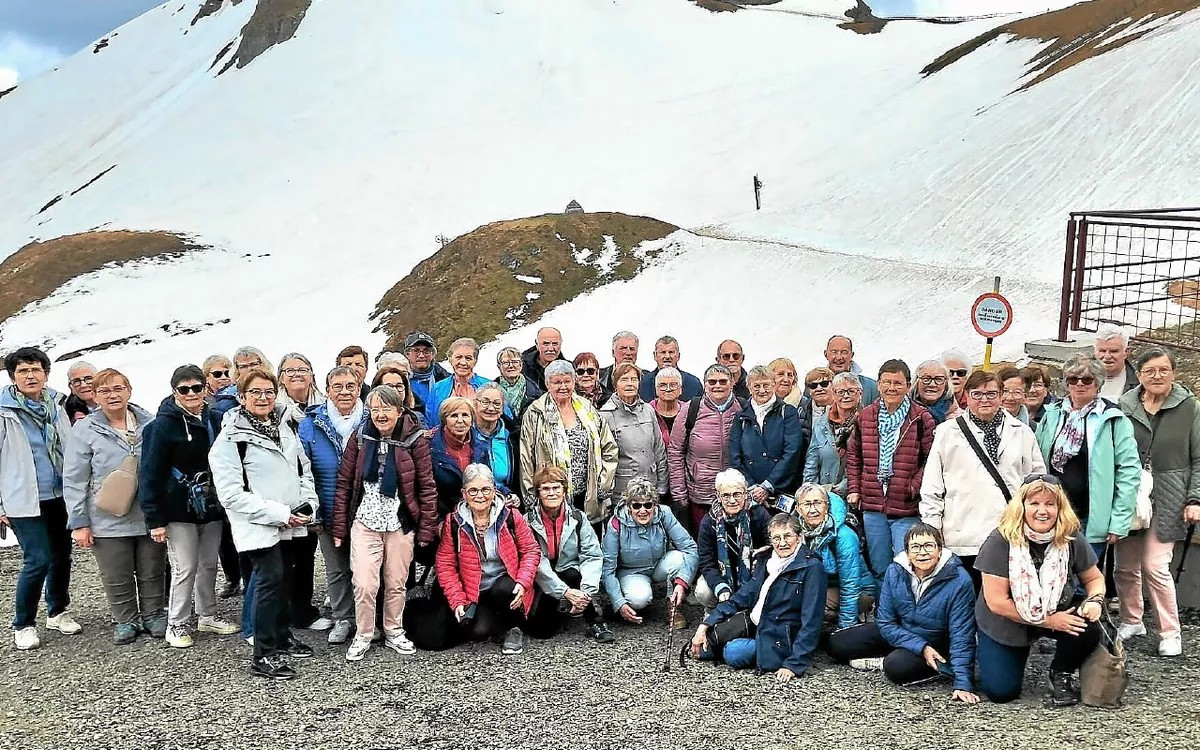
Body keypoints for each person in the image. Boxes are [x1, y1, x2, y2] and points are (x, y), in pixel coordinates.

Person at [208, 368, 319, 680]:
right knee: (268, 582)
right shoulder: (230, 440)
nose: (263, 397)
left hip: (291, 519)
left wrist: (308, 503)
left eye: (268, 391)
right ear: (241, 397)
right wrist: (278, 513)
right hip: (258, 524)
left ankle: (282, 636)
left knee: (284, 580)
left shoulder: (285, 426)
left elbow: (302, 469)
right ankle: (264, 654)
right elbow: (231, 494)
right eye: (255, 392)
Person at [973, 478, 1105, 706]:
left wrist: (1095, 600)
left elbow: (1094, 578)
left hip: (1056, 606)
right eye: (1034, 503)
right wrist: (1049, 621)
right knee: (1001, 692)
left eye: (1050, 504)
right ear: (1021, 506)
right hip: (1008, 619)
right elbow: (997, 602)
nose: (1042, 511)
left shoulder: (1070, 535)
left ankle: (1061, 671)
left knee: (1088, 625)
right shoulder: (1000, 540)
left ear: (1060, 507)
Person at [332, 385, 438, 662]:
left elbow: (427, 487)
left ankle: (394, 630)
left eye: (386, 408)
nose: (380, 415)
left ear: (399, 411)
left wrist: (426, 529)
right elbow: (344, 484)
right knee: (364, 583)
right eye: (375, 409)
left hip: (399, 522)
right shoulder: (360, 438)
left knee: (396, 582)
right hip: (365, 520)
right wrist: (339, 527)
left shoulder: (415, 439)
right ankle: (364, 633)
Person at [138, 364, 238, 649]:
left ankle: (207, 614)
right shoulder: (160, 427)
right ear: (175, 392)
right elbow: (150, 474)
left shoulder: (216, 419)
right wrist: (155, 519)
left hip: (211, 504)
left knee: (209, 563)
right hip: (177, 508)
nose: (191, 393)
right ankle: (177, 623)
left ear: (205, 389)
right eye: (184, 389)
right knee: (185, 566)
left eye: (197, 387)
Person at [63, 368, 164, 645]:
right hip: (106, 516)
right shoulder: (84, 430)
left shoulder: (150, 423)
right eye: (104, 391)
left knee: (152, 569)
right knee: (116, 573)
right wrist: (79, 522)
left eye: (118, 388)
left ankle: (154, 614)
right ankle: (126, 620)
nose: (112, 395)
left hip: (147, 513)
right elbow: (74, 479)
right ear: (94, 396)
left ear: (129, 391)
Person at [920, 369, 1045, 588]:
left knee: (1002, 597)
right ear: (967, 396)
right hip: (962, 532)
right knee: (966, 596)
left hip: (1009, 531)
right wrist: (932, 524)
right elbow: (932, 484)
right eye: (977, 394)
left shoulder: (1022, 433)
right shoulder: (947, 432)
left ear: (1001, 395)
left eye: (991, 394)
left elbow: (1036, 482)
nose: (984, 400)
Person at [828, 523, 978, 704]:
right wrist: (920, 647)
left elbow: (962, 634)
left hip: (937, 643)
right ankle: (893, 654)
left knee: (895, 667)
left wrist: (963, 683)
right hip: (904, 632)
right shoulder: (895, 571)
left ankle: (933, 668)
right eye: (915, 547)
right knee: (837, 643)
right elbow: (885, 622)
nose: (922, 552)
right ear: (907, 552)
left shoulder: (959, 580)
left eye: (929, 546)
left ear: (940, 550)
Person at [1116, 348, 1199, 656]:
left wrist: (1195, 498)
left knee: (1155, 565)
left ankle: (1170, 632)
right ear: (1139, 375)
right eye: (1150, 371)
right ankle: (1132, 620)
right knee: (1125, 566)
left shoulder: (1190, 407)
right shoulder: (1125, 405)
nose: (1157, 376)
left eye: (1164, 369)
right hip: (1131, 493)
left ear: (1173, 372)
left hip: (1170, 495)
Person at [1034, 353, 1140, 593]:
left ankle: (1085, 618)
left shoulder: (1113, 419)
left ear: (1098, 383)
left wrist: (1119, 520)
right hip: (1053, 513)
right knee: (1050, 579)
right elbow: (1038, 458)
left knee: (1083, 582)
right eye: (1073, 379)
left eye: (1087, 380)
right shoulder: (1053, 414)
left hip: (1091, 517)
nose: (1079, 384)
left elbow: (1129, 471)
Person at [1, 347, 81, 650]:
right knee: (38, 559)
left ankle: (57, 611)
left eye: (35, 369)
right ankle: (23, 624)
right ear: (13, 377)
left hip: (59, 494)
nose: (30, 376)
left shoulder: (56, 404)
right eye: (23, 371)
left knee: (62, 555)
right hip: (22, 498)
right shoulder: (4, 411)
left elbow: (70, 446)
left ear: (46, 374)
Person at [689, 513, 825, 681]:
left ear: (799, 537)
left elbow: (811, 621)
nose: (782, 543)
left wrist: (794, 664)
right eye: (776, 538)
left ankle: (752, 651)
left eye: (788, 536)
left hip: (780, 636)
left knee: (733, 653)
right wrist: (705, 624)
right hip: (755, 624)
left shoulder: (812, 567)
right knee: (698, 649)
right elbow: (740, 598)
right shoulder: (767, 560)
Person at [846, 360, 936, 589]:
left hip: (905, 505)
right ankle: (882, 608)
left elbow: (932, 459)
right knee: (879, 566)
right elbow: (854, 455)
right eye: (887, 382)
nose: (891, 388)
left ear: (908, 385)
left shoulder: (920, 418)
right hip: (873, 505)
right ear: (878, 384)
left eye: (898, 383)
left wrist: (914, 485)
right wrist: (855, 489)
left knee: (906, 565)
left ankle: (906, 607)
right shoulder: (866, 416)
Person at [434, 463, 542, 655]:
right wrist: (457, 600)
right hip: (476, 589)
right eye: (473, 490)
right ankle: (497, 620)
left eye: (485, 489)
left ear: (494, 490)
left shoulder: (510, 515)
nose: (480, 495)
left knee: (505, 589)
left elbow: (531, 550)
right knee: (478, 632)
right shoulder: (454, 522)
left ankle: (514, 627)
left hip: (506, 582)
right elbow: (445, 565)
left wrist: (523, 582)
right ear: (464, 493)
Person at [297, 365, 366, 645]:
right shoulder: (311, 424)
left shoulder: (371, 419)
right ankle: (343, 617)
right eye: (337, 386)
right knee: (337, 568)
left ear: (359, 388)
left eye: (350, 386)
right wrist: (312, 510)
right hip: (327, 505)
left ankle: (367, 618)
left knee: (367, 567)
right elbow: (303, 470)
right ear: (327, 390)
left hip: (365, 508)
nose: (344, 392)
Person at [519, 360, 617, 523]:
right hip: (552, 497)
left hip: (588, 495)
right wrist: (530, 493)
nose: (563, 386)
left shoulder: (587, 407)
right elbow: (526, 457)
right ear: (547, 384)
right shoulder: (535, 412)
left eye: (567, 381)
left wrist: (604, 485)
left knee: (588, 538)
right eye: (557, 382)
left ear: (574, 382)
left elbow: (609, 447)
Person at [523, 466, 614, 643]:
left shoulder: (578, 518)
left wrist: (586, 593)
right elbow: (537, 561)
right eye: (545, 488)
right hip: (541, 577)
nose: (551, 493)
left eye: (556, 488)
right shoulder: (528, 521)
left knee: (573, 573)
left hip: (570, 571)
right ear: (538, 493)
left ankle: (595, 621)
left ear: (564, 491)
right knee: (542, 632)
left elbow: (592, 555)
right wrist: (564, 592)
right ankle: (562, 609)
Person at [601, 478, 698, 629]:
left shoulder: (665, 514)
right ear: (628, 506)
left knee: (681, 558)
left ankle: (672, 605)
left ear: (655, 505)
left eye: (648, 505)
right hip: (631, 572)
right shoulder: (616, 524)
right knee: (639, 599)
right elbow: (607, 569)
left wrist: (682, 582)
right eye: (636, 505)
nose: (642, 510)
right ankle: (623, 606)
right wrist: (618, 602)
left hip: (659, 564)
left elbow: (690, 548)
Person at [669, 364, 742, 534]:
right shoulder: (691, 409)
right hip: (700, 494)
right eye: (712, 382)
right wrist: (679, 492)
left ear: (732, 384)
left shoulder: (742, 408)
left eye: (723, 381)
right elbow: (675, 451)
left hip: (733, 495)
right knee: (703, 541)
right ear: (705, 384)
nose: (717, 386)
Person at [793, 483, 873, 630]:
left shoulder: (844, 536)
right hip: (821, 586)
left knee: (813, 607)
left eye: (818, 503)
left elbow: (850, 586)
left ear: (827, 506)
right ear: (798, 508)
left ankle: (836, 628)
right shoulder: (795, 531)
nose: (813, 510)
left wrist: (845, 630)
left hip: (856, 590)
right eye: (807, 504)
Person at [694, 469, 772, 610]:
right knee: (703, 592)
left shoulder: (759, 514)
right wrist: (719, 586)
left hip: (755, 572)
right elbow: (706, 561)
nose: (732, 500)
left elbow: (773, 545)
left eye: (737, 494)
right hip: (722, 574)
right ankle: (713, 610)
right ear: (718, 496)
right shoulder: (709, 522)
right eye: (726, 495)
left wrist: (763, 555)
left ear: (745, 493)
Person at [729, 365, 804, 503]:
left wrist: (768, 485)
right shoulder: (741, 417)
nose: (762, 390)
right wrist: (752, 487)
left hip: (782, 490)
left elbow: (792, 452)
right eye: (756, 386)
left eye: (766, 385)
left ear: (774, 384)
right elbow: (735, 456)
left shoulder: (788, 412)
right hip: (751, 493)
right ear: (749, 387)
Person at [599, 362, 668, 498]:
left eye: (633, 379)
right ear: (615, 385)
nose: (630, 384)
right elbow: (602, 459)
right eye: (624, 380)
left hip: (650, 488)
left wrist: (662, 487)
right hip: (622, 491)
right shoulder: (605, 415)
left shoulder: (648, 410)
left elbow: (659, 450)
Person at [803, 372, 862, 496]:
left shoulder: (867, 421)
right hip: (825, 493)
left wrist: (843, 487)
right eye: (840, 392)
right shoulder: (821, 423)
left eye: (851, 391)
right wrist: (810, 491)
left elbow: (867, 462)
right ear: (833, 394)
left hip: (856, 493)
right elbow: (811, 463)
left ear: (860, 394)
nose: (846, 396)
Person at [431, 397, 491, 516]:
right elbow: (427, 490)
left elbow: (487, 481)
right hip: (442, 513)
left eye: (465, 415)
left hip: (475, 512)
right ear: (444, 420)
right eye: (454, 416)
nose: (460, 420)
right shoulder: (431, 448)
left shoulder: (481, 448)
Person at [425, 337, 490, 427]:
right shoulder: (438, 388)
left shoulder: (488, 387)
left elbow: (503, 419)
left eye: (468, 358)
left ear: (475, 361)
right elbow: (430, 421)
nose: (463, 362)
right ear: (450, 360)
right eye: (458, 357)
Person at [473, 383, 520, 500]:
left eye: (497, 404)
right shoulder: (466, 434)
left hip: (506, 498)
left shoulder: (513, 437)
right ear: (475, 404)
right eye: (485, 402)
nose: (491, 408)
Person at [639, 335, 702, 402]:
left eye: (671, 352)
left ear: (678, 356)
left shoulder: (693, 384)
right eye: (663, 352)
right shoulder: (643, 384)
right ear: (655, 355)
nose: (667, 356)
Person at [825, 335, 879, 405]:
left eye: (844, 352)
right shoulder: (815, 386)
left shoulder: (871, 387)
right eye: (834, 352)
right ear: (826, 354)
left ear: (852, 355)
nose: (839, 357)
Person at [277, 353, 325, 432]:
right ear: (281, 379)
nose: (297, 374)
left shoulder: (326, 406)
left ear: (311, 377)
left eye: (302, 370)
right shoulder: (275, 410)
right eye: (290, 371)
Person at [494, 346, 542, 423]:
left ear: (521, 365)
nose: (511, 366)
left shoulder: (535, 392)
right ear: (499, 367)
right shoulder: (492, 390)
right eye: (506, 363)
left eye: (515, 362)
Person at [404, 331, 450, 408]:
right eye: (416, 351)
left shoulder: (446, 380)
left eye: (426, 351)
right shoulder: (400, 380)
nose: (421, 355)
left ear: (432, 354)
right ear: (407, 354)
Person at [910, 359, 960, 424]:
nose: (932, 384)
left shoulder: (958, 419)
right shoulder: (904, 411)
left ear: (946, 384)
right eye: (926, 379)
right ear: (916, 382)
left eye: (939, 379)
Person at [1094, 326, 1138, 399]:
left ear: (1126, 352)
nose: (1107, 356)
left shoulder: (1140, 381)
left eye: (1114, 351)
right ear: (1095, 351)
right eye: (1102, 351)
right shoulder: (1078, 379)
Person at [650, 367, 684, 444]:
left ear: (680, 389)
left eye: (673, 385)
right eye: (663, 385)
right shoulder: (647, 411)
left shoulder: (688, 411)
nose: (668, 389)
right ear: (656, 389)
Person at [1023, 364, 1058, 429]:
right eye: (1027, 385)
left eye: (1037, 385)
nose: (1031, 390)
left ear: (1046, 389)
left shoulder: (1055, 413)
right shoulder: (1012, 408)